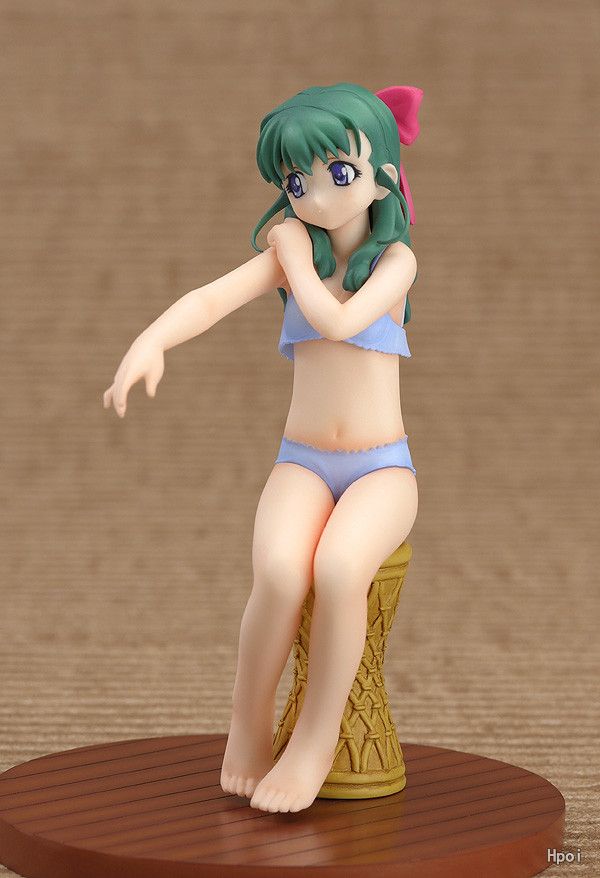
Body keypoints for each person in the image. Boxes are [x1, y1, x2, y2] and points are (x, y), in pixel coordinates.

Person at [103, 82, 422, 813]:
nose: (313, 197)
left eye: (337, 173)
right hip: (302, 460)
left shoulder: (395, 262)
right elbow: (210, 298)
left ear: (382, 178)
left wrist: (294, 258)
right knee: (278, 572)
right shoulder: (292, 252)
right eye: (295, 184)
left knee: (340, 569)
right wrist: (150, 342)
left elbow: (337, 323)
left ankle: (313, 743)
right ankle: (247, 729)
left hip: (382, 469)